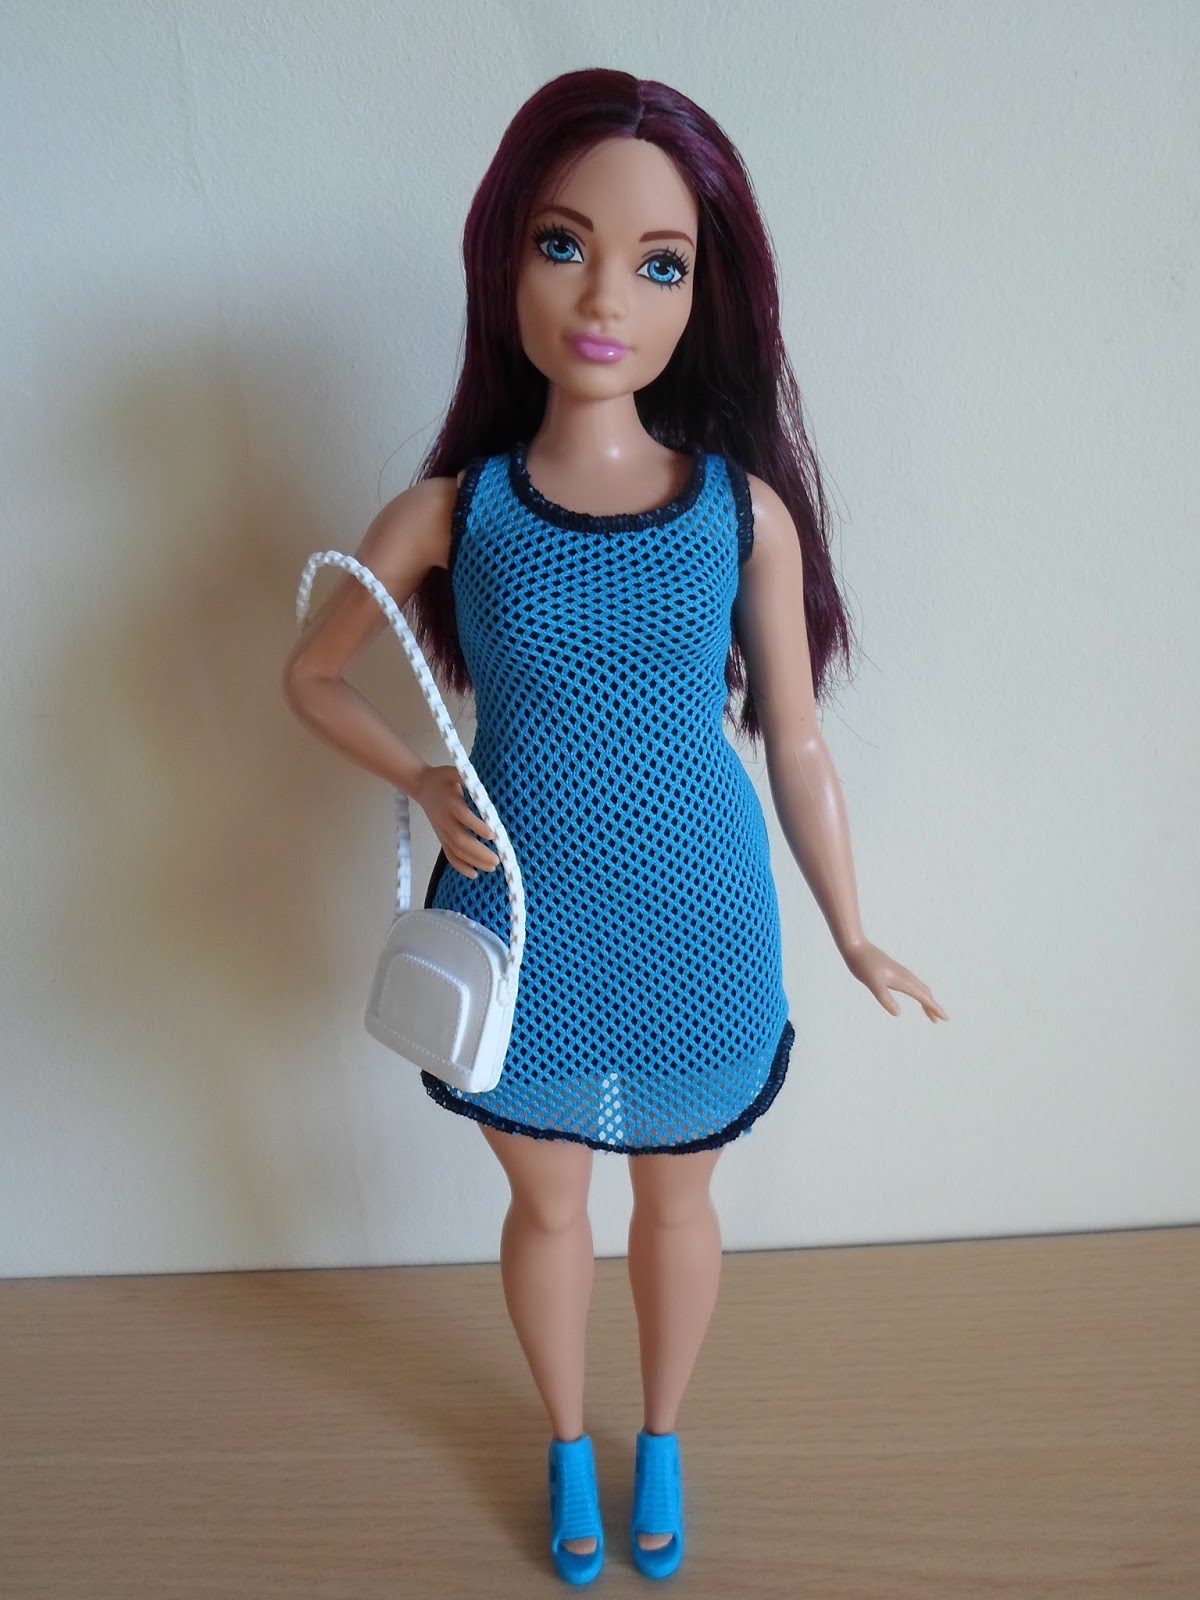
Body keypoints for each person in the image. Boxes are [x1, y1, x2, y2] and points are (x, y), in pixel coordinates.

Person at [283, 67, 946, 1586]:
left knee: (678, 1196)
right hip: (521, 910)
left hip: (701, 906)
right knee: (545, 1202)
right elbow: (309, 673)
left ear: (704, 298)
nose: (603, 298)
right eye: (563, 245)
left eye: (660, 264)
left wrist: (851, 928)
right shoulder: (456, 512)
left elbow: (795, 739)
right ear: (503, 258)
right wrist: (423, 778)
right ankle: (567, 1444)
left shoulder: (739, 513)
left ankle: (661, 1432)